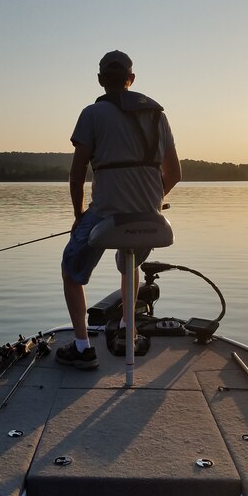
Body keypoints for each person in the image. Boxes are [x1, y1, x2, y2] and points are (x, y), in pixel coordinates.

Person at [57, 50, 181, 369]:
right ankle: (128, 329)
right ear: (131, 79)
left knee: (71, 271)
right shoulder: (157, 115)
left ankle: (83, 347)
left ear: (100, 80)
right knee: (130, 263)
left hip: (105, 215)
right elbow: (175, 174)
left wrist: (78, 215)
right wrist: (152, 201)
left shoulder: (91, 114)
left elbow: (77, 173)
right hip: (150, 219)